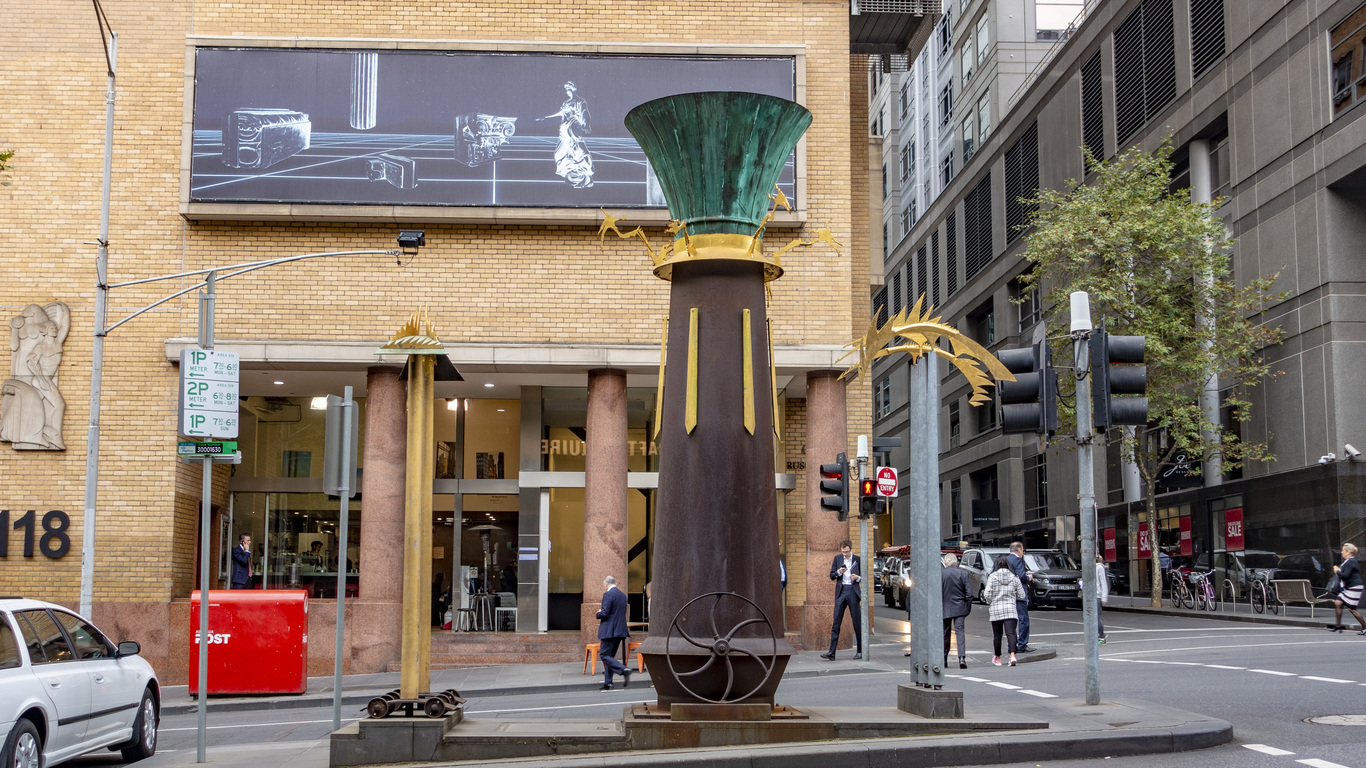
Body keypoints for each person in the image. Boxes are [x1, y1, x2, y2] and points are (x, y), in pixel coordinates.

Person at [538, 81, 594, 188]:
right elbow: (559, 112)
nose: (566, 92)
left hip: (573, 127)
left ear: (573, 89)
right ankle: (570, 167)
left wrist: (586, 124)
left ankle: (581, 167)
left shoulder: (580, 101)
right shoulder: (566, 102)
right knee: (558, 153)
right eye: (566, 90)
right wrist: (546, 116)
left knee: (576, 147)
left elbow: (585, 113)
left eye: (567, 89)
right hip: (564, 128)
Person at [820, 540, 862, 661]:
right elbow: (832, 575)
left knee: (857, 622)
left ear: (850, 549)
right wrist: (839, 572)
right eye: (843, 552)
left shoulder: (857, 559)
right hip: (841, 591)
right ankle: (831, 652)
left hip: (852, 591)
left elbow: (864, 576)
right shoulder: (837, 559)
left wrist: (857, 578)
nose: (845, 554)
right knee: (836, 622)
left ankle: (860, 651)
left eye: (847, 552)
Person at [984, 555, 1026, 667]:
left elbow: (986, 594)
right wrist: (1013, 597)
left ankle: (998, 658)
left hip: (996, 610)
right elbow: (1022, 595)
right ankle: (1012, 656)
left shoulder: (992, 577)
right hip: (1010, 609)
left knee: (997, 635)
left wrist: (990, 601)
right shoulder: (1014, 577)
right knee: (1011, 633)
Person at [594, 575, 632, 690]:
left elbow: (605, 613)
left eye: (604, 585)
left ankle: (623, 669)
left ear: (606, 584)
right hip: (620, 630)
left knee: (604, 655)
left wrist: (598, 613)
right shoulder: (622, 595)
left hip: (609, 631)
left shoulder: (608, 594)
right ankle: (608, 683)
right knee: (610, 656)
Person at [941, 553, 972, 669]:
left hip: (944, 607)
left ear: (945, 563)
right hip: (960, 607)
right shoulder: (963, 574)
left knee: (945, 633)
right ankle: (962, 658)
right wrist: (967, 607)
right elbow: (969, 594)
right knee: (960, 632)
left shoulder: (940, 574)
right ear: (956, 562)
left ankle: (944, 658)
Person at [1328, 543, 1364, 634]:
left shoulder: (1351, 561)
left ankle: (1365, 627)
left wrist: (1337, 572)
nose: (1341, 552)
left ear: (1348, 552)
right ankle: (1338, 626)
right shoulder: (1348, 561)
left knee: (1352, 609)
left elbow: (1346, 575)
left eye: (1343, 550)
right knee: (1338, 603)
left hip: (1354, 587)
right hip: (1349, 587)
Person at [1007, 542, 1034, 652]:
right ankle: (1022, 644)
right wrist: (1029, 578)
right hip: (1019, 594)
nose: (1022, 552)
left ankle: (1012, 645)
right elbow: (1021, 576)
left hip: (1009, 594)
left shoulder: (1006, 559)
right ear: (1019, 550)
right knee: (1023, 619)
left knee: (1011, 621)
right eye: (1022, 550)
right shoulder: (1017, 560)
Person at [1093, 556, 1109, 643]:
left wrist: (1104, 597)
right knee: (1093, 617)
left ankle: (1101, 636)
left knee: (1096, 617)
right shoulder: (1092, 567)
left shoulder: (1099, 567)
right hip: (1093, 595)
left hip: (1097, 595)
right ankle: (1097, 635)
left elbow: (1103, 582)